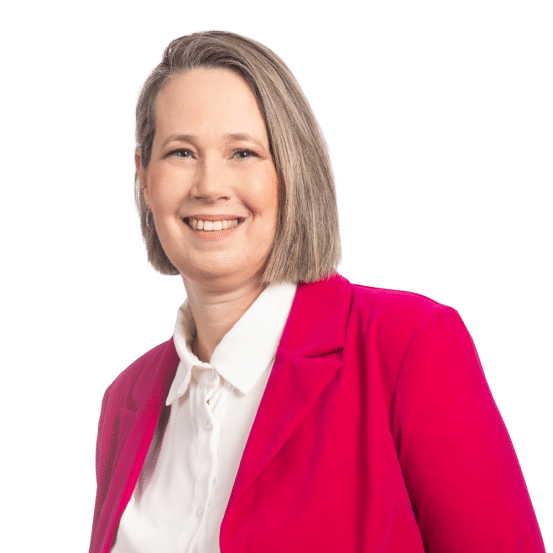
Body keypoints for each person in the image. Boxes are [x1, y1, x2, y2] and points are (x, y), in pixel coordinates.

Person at [89, 30, 546, 553]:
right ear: (144, 176)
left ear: (292, 170)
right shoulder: (126, 399)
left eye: (243, 152)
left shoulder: (406, 345)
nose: (209, 185)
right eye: (181, 152)